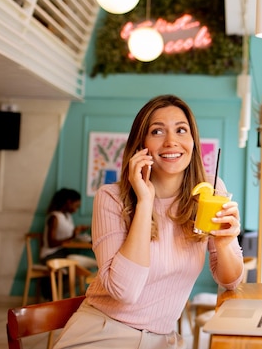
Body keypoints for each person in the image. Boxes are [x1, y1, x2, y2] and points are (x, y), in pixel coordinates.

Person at [54, 95, 244, 349]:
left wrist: (225, 242)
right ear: (141, 144)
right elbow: (125, 292)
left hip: (162, 340)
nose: (171, 141)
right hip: (102, 334)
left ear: (192, 141)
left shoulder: (209, 191)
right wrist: (145, 201)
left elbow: (231, 281)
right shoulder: (111, 198)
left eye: (181, 130)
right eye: (157, 131)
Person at [40, 188, 97, 270]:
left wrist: (77, 231)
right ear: (69, 202)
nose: (76, 209)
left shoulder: (67, 216)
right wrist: (72, 237)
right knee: (78, 265)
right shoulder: (54, 217)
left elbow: (68, 234)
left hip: (62, 252)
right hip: (50, 255)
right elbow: (51, 243)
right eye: (76, 206)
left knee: (80, 266)